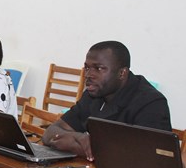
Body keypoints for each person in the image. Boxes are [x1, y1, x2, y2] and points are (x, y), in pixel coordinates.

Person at [42, 41, 171, 160]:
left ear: (122, 73)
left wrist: (75, 146)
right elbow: (50, 132)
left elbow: (149, 159)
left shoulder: (151, 103)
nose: (88, 75)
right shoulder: (93, 94)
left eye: (99, 68)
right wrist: (77, 137)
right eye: (87, 68)